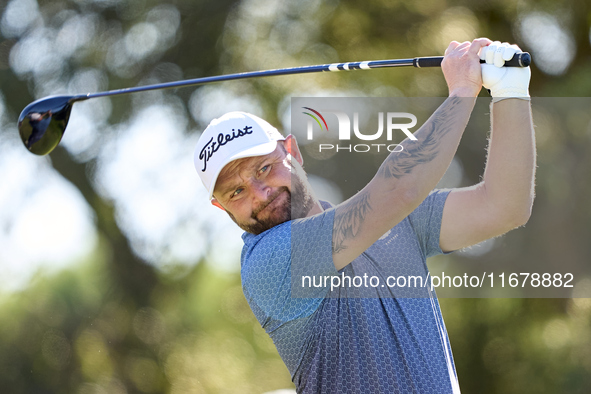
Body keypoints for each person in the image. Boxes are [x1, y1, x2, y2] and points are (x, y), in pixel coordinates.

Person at [193, 38, 535, 393]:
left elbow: (504, 206)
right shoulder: (269, 263)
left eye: (264, 168)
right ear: (220, 206)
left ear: (291, 151)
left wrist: (510, 93)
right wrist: (463, 89)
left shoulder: (393, 222)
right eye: (236, 192)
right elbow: (397, 190)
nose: (259, 194)